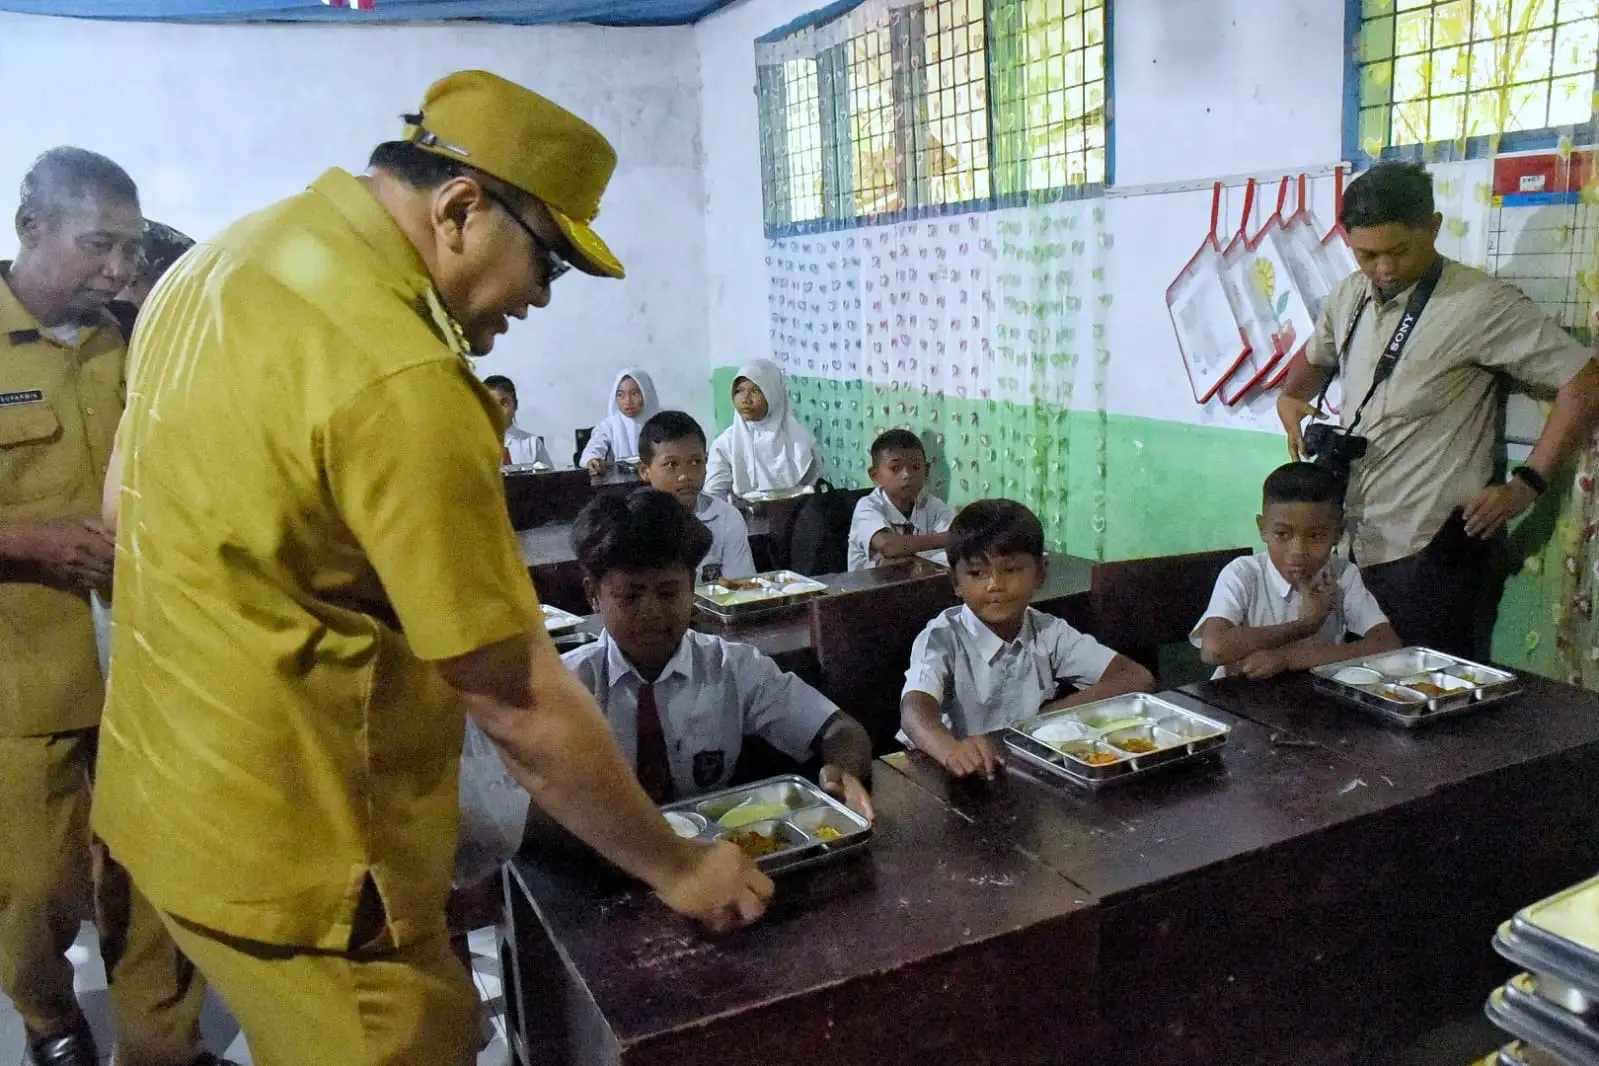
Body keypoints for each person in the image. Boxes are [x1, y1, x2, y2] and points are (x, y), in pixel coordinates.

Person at [94, 71, 771, 1066]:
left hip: (162, 801)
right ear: (459, 207)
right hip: (302, 856)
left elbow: (121, 513)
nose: (539, 299)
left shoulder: (218, 265)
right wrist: (678, 866)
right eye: (548, 263)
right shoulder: (402, 372)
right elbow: (517, 698)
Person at [0, 150, 232, 1066]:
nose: (117, 268)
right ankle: (51, 1019)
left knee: (158, 872)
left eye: (129, 249)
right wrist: (26, 539)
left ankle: (161, 1043)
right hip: (23, 675)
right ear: (32, 228)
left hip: (146, 661)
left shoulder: (136, 334)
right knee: (31, 889)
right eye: (100, 245)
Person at [1276, 162, 1599, 658]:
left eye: (1399, 251)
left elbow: (1585, 381)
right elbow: (1311, 365)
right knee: (1346, 699)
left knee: (1429, 711)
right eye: (1366, 254)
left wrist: (1527, 484)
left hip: (1431, 553)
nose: (1382, 268)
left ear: (1433, 227)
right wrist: (1289, 398)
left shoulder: (1479, 302)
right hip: (1352, 544)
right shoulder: (1348, 295)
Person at [562, 488, 874, 816]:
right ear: (593, 595)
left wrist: (844, 772)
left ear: (692, 585)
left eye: (669, 592)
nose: (652, 612)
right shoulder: (567, 687)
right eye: (629, 596)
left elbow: (840, 729)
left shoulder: (731, 667)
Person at [899, 499, 1155, 780]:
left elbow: (1136, 677)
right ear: (956, 582)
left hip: (1020, 767)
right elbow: (914, 711)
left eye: (1011, 569)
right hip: (952, 774)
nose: (995, 584)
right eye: (976, 573)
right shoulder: (942, 636)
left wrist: (1044, 719)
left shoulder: (1047, 631)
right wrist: (950, 750)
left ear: (1040, 573)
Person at [1191, 462, 1401, 679]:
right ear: (1263, 529)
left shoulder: (1343, 574)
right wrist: (1306, 625)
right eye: (1282, 534)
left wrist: (1288, 658)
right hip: (1236, 702)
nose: (1298, 552)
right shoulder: (1243, 574)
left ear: (1338, 534)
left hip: (1309, 700)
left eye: (1316, 536)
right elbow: (1214, 649)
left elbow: (1386, 644)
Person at [637, 410, 757, 583]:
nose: (685, 475)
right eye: (671, 464)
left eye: (695, 462)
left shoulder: (726, 518)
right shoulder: (633, 523)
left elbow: (740, 591)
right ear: (645, 471)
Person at [705, 358, 819, 499]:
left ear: (774, 394)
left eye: (756, 391)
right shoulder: (725, 444)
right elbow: (713, 496)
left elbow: (814, 491)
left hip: (797, 515)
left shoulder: (800, 441)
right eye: (739, 391)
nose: (745, 399)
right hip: (744, 517)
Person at [847, 428, 954, 571]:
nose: (907, 475)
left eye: (915, 467)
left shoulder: (934, 506)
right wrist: (946, 538)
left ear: (926, 471)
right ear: (875, 475)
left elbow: (958, 546)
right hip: (870, 590)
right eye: (895, 468)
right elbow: (889, 546)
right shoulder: (867, 507)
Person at [581, 367, 658, 473]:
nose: (628, 401)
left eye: (634, 393)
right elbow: (593, 449)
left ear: (647, 393)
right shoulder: (608, 426)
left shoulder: (661, 421)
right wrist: (592, 459)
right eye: (621, 395)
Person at [482, 373, 553, 468]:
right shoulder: (473, 445)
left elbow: (552, 480)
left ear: (515, 404)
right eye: (491, 405)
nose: (498, 410)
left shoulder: (532, 443)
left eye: (504, 403)